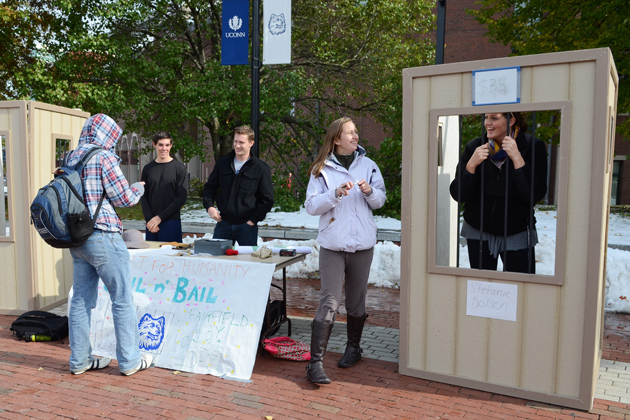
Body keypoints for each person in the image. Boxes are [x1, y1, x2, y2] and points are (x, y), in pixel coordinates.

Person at [66, 114, 153, 376]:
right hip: (103, 236)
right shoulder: (103, 157)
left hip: (78, 238)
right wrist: (138, 187)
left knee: (80, 301)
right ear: (108, 135)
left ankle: (80, 361)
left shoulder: (70, 157)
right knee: (122, 299)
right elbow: (124, 198)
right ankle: (129, 361)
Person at [304, 117, 386, 385]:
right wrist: (335, 194)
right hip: (333, 245)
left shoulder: (369, 165)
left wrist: (370, 191)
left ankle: (353, 349)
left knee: (356, 302)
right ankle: (315, 363)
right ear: (336, 139)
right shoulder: (321, 170)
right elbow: (311, 206)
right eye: (350, 133)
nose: (356, 136)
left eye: (356, 132)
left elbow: (381, 200)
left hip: (362, 244)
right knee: (329, 301)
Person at [449, 112, 548, 273]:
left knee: (520, 287)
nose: (487, 123)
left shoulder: (533, 146)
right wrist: (470, 167)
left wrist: (517, 159)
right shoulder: (475, 147)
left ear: (511, 120)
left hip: (517, 230)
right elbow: (458, 195)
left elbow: (534, 195)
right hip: (478, 230)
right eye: (486, 117)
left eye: (494, 118)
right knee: (483, 290)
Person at [202, 125, 274, 246]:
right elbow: (209, 188)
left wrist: (253, 220)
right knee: (217, 262)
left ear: (251, 143)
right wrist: (209, 207)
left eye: (241, 142)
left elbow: (267, 199)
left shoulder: (261, 168)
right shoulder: (223, 163)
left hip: (247, 227)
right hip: (223, 224)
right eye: (235, 141)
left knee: (247, 263)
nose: (237, 145)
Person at [140, 131, 188, 242]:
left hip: (171, 222)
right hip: (152, 224)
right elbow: (144, 195)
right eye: (160, 145)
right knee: (152, 258)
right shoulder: (148, 169)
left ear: (171, 145)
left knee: (171, 258)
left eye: (167, 145)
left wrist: (159, 217)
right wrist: (149, 220)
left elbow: (181, 198)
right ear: (154, 144)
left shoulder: (179, 169)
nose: (164, 148)